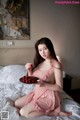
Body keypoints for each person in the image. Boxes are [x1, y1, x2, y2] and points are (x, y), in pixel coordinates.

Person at [15, 37, 72, 118]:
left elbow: (59, 87)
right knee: (16, 103)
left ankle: (55, 113)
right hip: (37, 94)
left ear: (50, 48)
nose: (43, 52)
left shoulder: (56, 65)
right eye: (40, 50)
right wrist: (29, 70)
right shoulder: (40, 63)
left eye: (45, 49)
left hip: (49, 97)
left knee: (23, 112)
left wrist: (44, 84)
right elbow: (34, 80)